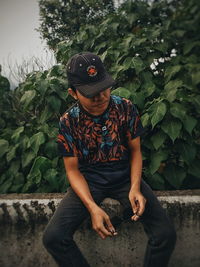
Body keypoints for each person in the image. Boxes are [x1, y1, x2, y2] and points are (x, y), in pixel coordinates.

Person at [43, 52, 176, 267]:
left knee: (165, 235)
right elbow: (73, 170)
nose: (100, 97)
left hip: (124, 177)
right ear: (73, 93)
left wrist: (135, 188)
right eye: (90, 93)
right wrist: (92, 208)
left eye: (103, 88)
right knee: (54, 238)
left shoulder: (125, 107)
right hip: (90, 181)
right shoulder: (68, 122)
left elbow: (135, 152)